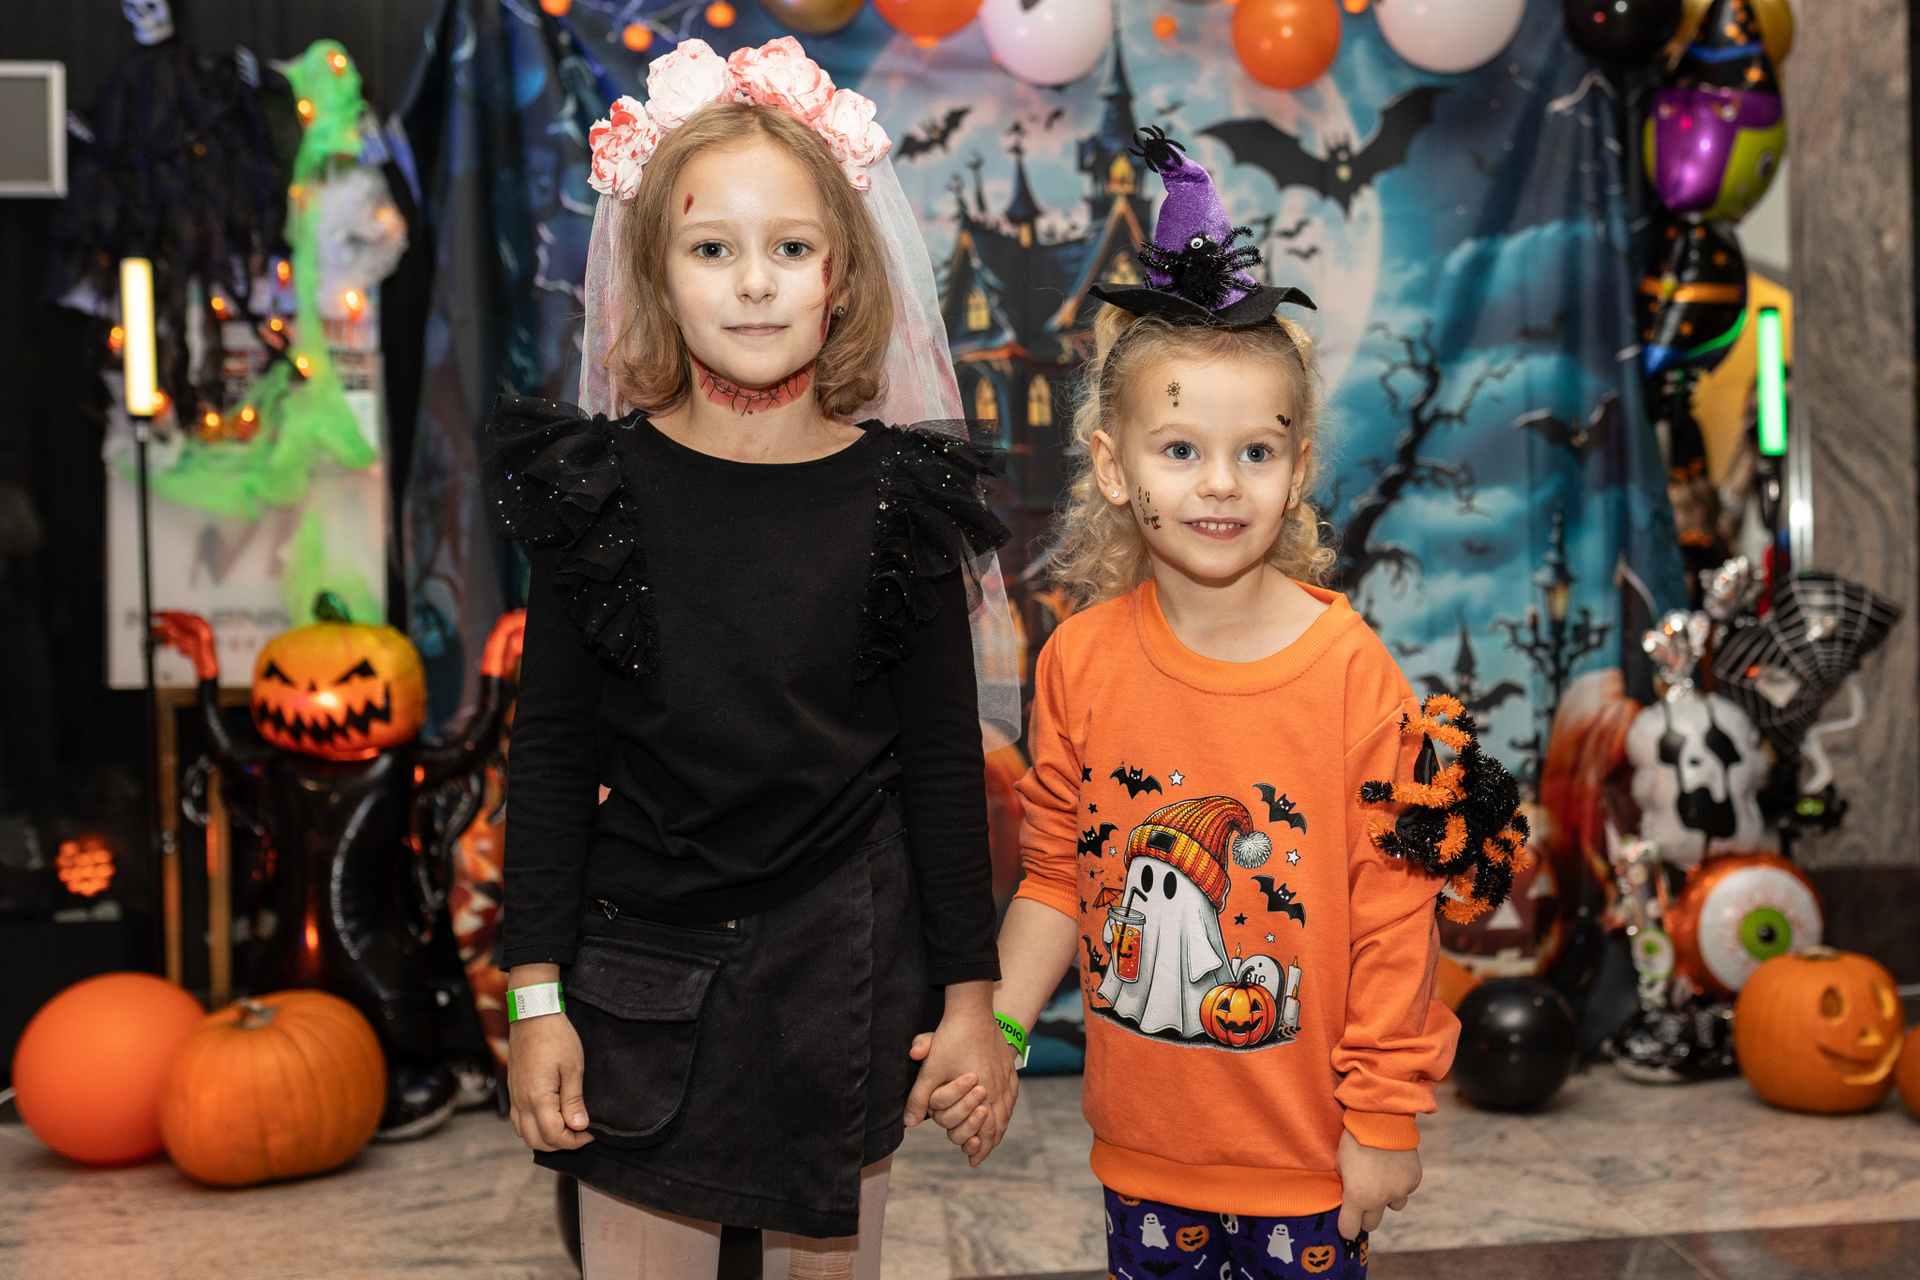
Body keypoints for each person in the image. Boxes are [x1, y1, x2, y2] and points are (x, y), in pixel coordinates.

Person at [485, 38, 1023, 1280]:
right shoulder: (595, 491)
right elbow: (552, 758)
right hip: (638, 975)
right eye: (711, 248)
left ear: (842, 274)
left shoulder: (901, 500)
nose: (754, 282)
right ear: (655, 276)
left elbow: (945, 767)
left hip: (845, 977)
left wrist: (970, 1001)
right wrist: (533, 997)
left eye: (789, 246)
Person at [953, 128, 1511, 1279]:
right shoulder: (1079, 659)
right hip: (1142, 1159)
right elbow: (1056, 874)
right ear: (1116, 467)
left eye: (1255, 451)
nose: (1219, 482)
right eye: (1180, 448)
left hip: (1308, 1165)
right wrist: (998, 1027)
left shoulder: (1349, 668)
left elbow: (1394, 908)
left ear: (1297, 471)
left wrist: (1384, 1110)